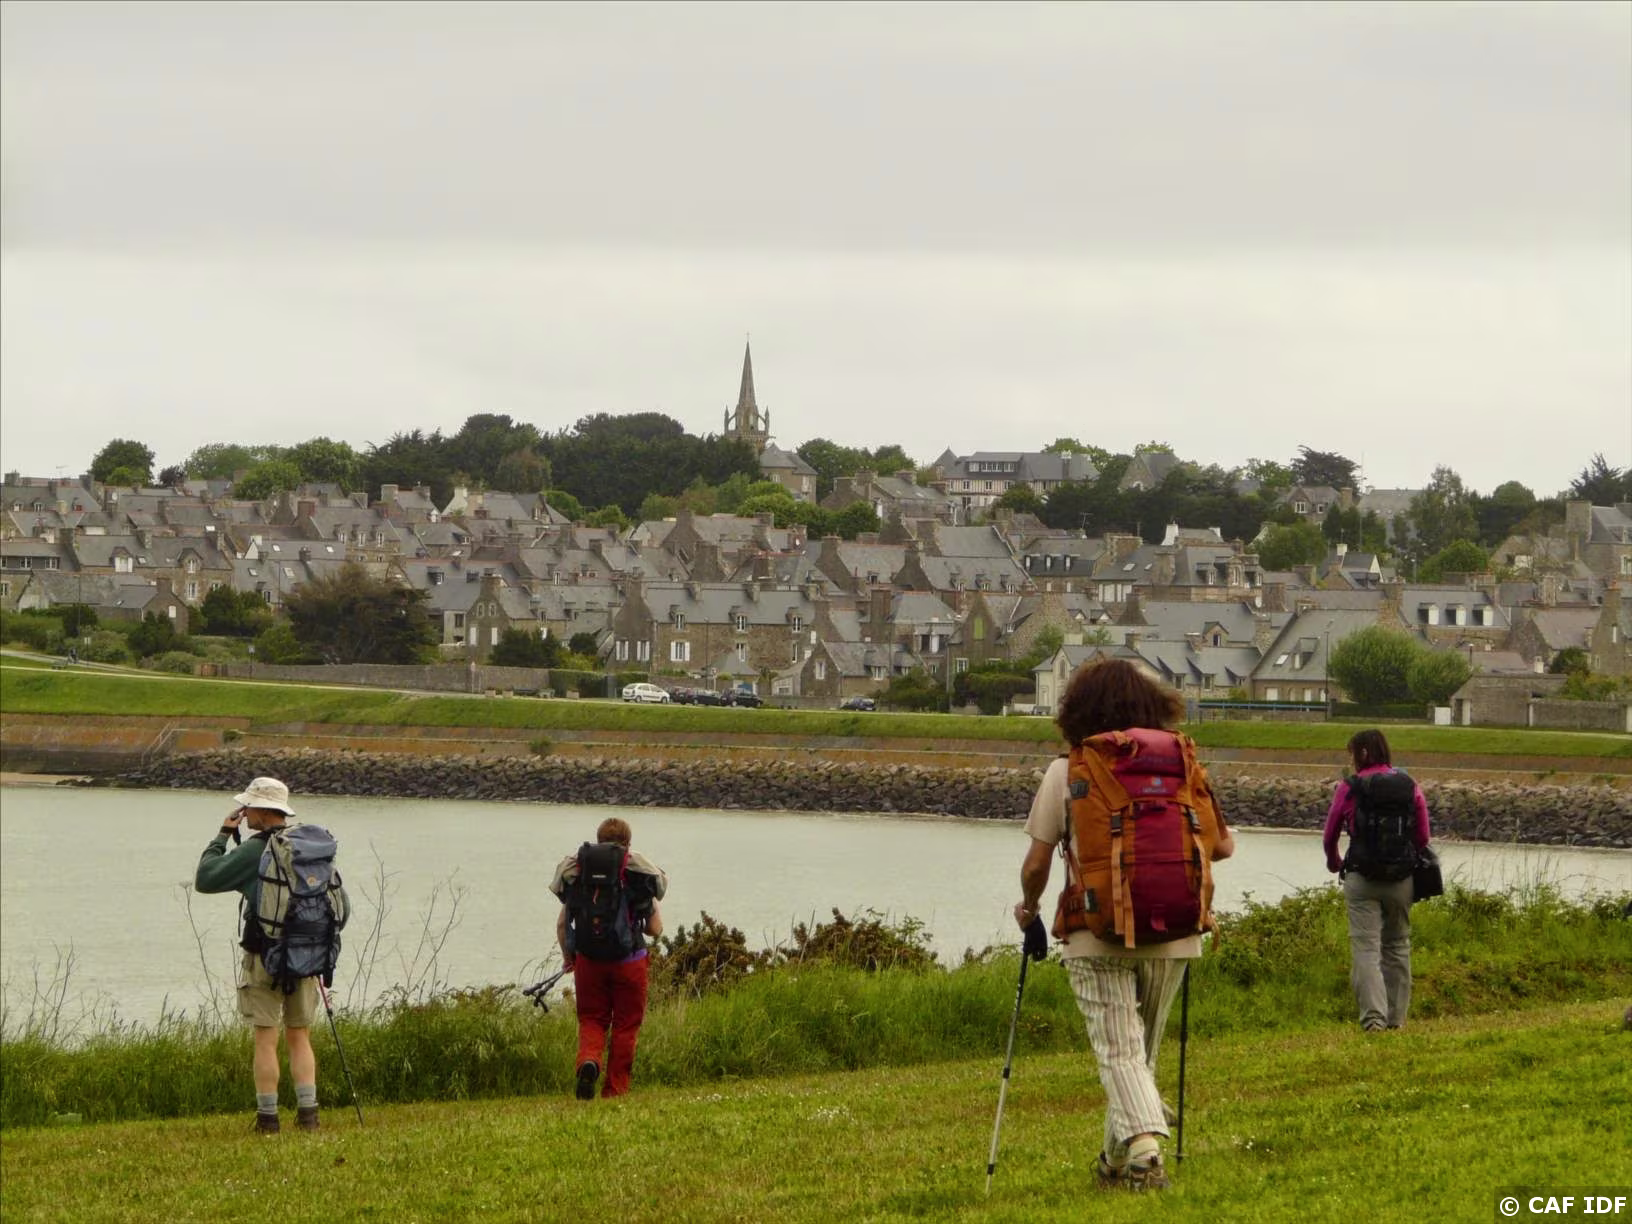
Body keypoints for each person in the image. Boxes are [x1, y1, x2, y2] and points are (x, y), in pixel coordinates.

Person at [1014, 659, 1235, 1191]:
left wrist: (1029, 907)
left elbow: (1038, 863)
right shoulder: (1182, 764)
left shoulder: (1069, 769)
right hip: (1176, 932)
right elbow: (1222, 847)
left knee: (1120, 1052)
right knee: (1137, 1058)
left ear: (1077, 710)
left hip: (1095, 931)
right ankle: (1113, 1164)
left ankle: (1144, 1156)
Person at [194, 775, 325, 1135]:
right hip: (305, 956)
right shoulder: (307, 847)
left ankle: (268, 1119)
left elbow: (205, 878)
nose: (244, 811)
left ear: (264, 811)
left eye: (248, 806)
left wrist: (223, 835)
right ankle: (309, 1115)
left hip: (264, 955)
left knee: (266, 1038)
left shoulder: (256, 851)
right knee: (300, 1036)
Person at [550, 817, 667, 1100]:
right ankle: (615, 1091)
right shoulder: (636, 876)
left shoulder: (580, 874)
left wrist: (569, 958)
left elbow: (563, 925)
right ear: (628, 843)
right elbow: (655, 929)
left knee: (591, 1018)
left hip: (589, 962)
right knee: (626, 1025)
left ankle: (589, 1061)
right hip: (630, 962)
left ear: (598, 840)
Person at [1323, 729, 1431, 1033]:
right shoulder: (1409, 785)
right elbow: (1423, 836)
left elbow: (1330, 833)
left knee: (1366, 948)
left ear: (1363, 753)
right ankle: (1396, 1020)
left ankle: (1373, 1020)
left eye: (1352, 754)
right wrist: (1403, 858)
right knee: (1397, 945)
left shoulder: (1349, 787)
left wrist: (1334, 862)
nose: (1351, 760)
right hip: (1401, 879)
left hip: (1361, 876)